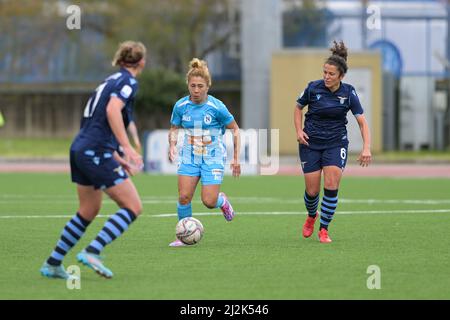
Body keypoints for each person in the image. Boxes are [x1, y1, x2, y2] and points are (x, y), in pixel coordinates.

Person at [40, 41, 146, 279]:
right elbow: (111, 111)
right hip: (95, 151)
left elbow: (99, 125)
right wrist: (128, 148)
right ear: (142, 62)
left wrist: (118, 158)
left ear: (120, 60)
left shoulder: (108, 81)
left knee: (89, 209)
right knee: (133, 206)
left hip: (81, 148)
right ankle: (93, 251)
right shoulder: (128, 82)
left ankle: (53, 263)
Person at [294, 40, 372, 243]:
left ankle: (324, 229)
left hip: (336, 143)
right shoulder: (313, 88)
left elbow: (362, 122)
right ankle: (312, 216)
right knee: (312, 192)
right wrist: (299, 130)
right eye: (324, 73)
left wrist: (366, 148)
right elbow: (297, 108)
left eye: (331, 74)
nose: (326, 77)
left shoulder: (349, 92)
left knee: (331, 184)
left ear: (341, 76)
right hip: (310, 143)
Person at [168, 58, 241, 247]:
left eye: (200, 86)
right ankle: (183, 236)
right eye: (193, 86)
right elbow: (174, 128)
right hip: (189, 157)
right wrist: (172, 145)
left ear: (208, 86)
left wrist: (236, 158)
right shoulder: (181, 106)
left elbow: (235, 129)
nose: (196, 90)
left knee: (208, 201)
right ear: (188, 86)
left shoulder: (217, 107)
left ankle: (222, 201)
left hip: (212, 158)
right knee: (184, 197)